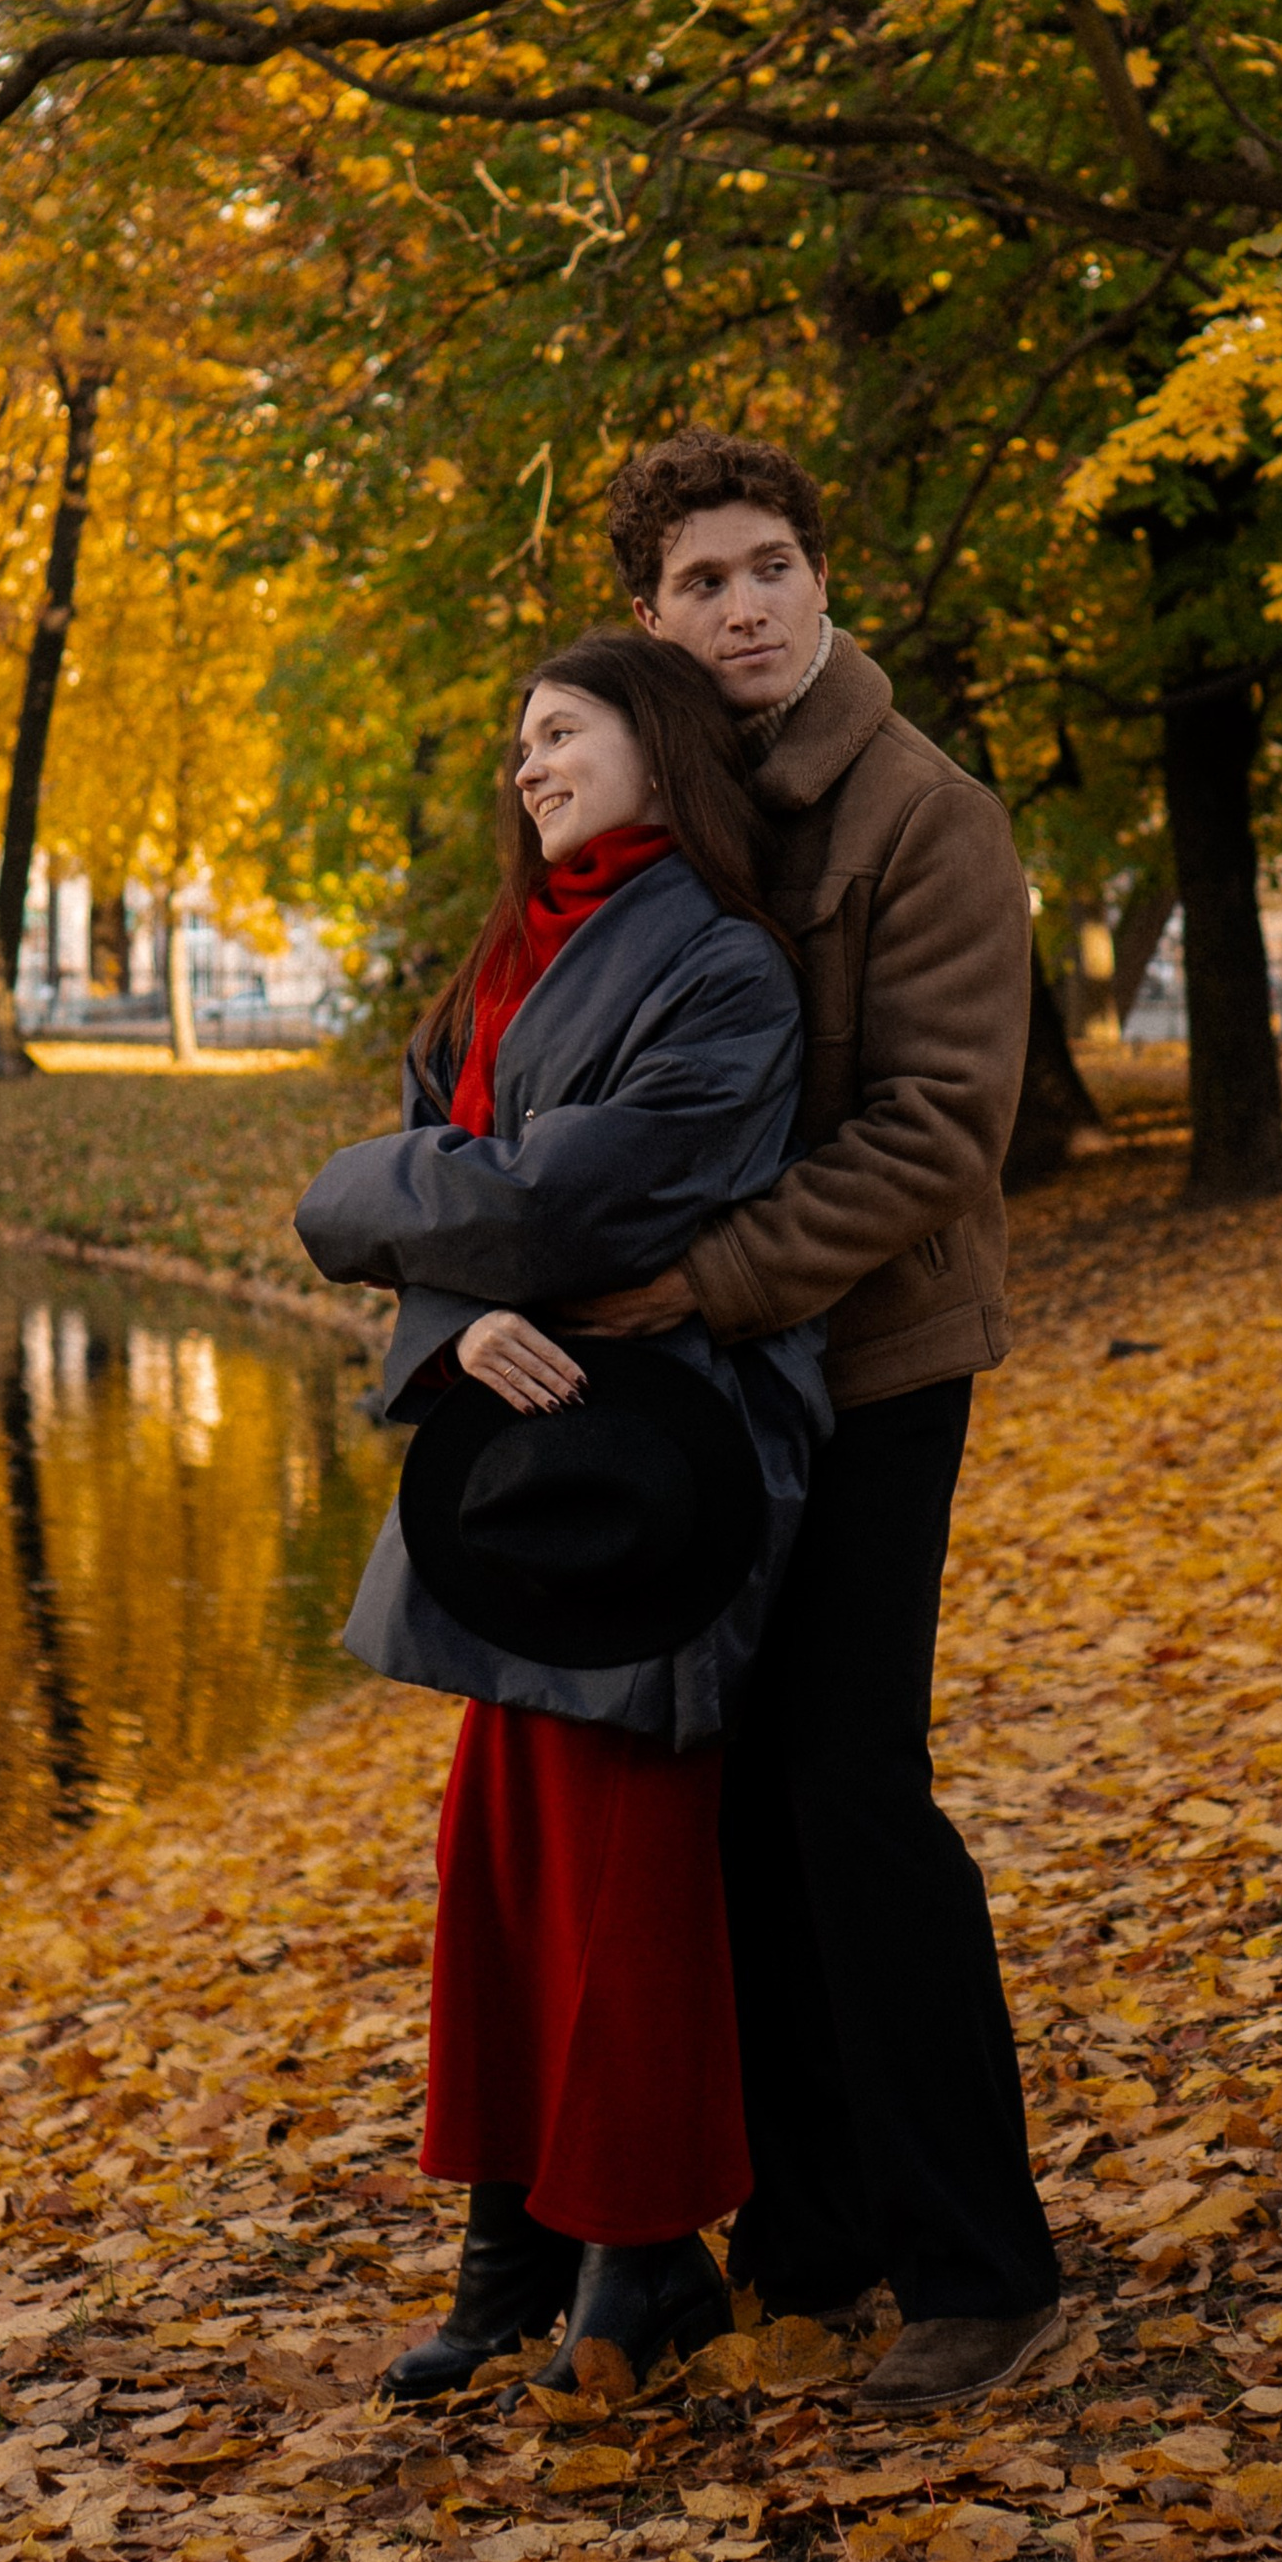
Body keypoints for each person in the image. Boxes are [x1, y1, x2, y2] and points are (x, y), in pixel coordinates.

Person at [570, 429, 1063, 2413]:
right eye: (701, 584)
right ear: (649, 617)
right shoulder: (678, 805)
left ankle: (983, 2268)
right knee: (745, 1812)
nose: (744, 606)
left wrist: (699, 1278)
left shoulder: (918, 812)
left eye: (770, 566)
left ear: (818, 579)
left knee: (853, 1798)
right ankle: (812, 2232)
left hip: (868, 1367)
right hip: (704, 1393)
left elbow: (937, 1130)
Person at [293, 631, 827, 2399]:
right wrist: (455, 1305)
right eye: (518, 743)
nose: (528, 767)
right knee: (502, 1871)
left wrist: (424, 1226)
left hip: (654, 1474)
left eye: (561, 733)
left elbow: (562, 1202)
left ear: (663, 748)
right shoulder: (501, 964)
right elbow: (411, 1214)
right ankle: (511, 2249)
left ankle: (636, 2253)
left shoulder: (728, 970)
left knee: (627, 1877)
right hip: (510, 1453)